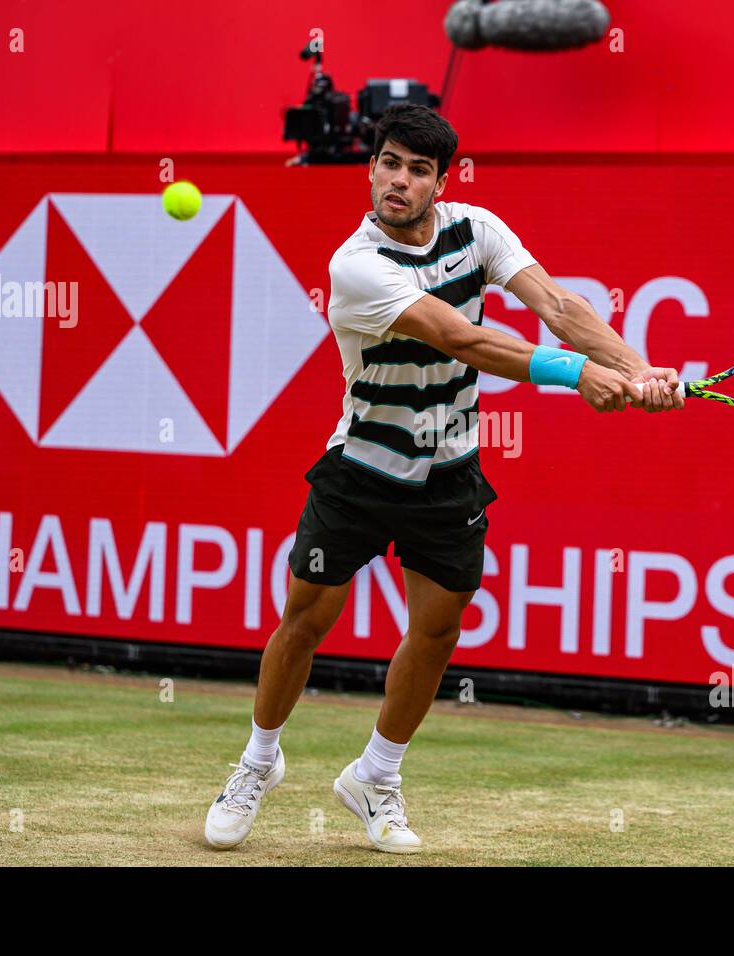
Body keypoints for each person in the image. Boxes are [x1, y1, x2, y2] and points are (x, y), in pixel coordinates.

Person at [206, 103, 682, 854]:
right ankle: (257, 763)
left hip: (450, 470)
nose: (399, 180)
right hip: (361, 466)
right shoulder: (355, 264)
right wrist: (577, 374)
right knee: (305, 622)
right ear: (370, 168)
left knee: (436, 628)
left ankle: (376, 777)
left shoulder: (478, 230)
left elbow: (557, 305)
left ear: (440, 182)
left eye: (417, 170)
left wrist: (636, 367)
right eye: (389, 163)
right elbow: (460, 336)